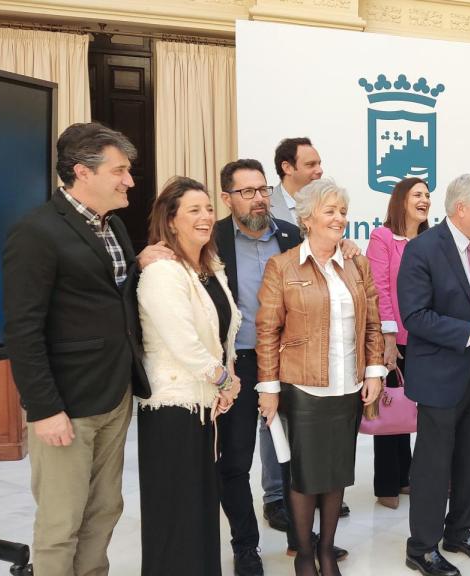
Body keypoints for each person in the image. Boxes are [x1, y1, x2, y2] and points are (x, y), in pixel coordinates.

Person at [2, 122, 155, 576]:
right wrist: (43, 407)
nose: (129, 180)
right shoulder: (37, 232)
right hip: (66, 405)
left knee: (105, 510)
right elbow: (23, 329)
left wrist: (143, 261)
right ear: (81, 172)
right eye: (120, 171)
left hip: (113, 393)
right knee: (60, 522)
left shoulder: (116, 228)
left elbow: (113, 297)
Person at [256, 178, 384, 576]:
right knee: (304, 474)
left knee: (336, 471)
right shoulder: (283, 265)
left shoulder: (355, 261)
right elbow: (267, 331)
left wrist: (375, 371)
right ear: (306, 219)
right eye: (330, 211)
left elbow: (373, 323)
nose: (339, 219)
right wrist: (269, 388)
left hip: (349, 386)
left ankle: (327, 550)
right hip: (304, 386)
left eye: (342, 211)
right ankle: (306, 553)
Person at [399, 174, 470, 576]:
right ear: (460, 207)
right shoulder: (422, 250)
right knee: (434, 465)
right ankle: (422, 547)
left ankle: (460, 532)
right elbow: (415, 316)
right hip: (440, 375)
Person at [136, 176, 242, 575]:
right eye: (194, 210)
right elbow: (183, 343)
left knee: (199, 509)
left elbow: (223, 332)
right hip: (173, 408)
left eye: (209, 208)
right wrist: (224, 380)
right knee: (175, 512)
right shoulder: (163, 271)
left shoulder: (209, 267)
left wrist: (227, 374)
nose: (205, 217)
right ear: (171, 219)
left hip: (207, 405)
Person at [214, 159, 301, 574]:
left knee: (294, 457)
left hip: (287, 362)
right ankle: (245, 546)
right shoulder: (210, 240)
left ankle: (301, 540)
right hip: (236, 365)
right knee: (235, 461)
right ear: (227, 198)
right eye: (247, 191)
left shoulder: (290, 236)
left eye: (263, 189)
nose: (259, 198)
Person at [365, 177, 431, 509]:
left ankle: (407, 478)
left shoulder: (432, 240)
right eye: (418, 194)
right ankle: (388, 485)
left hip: (427, 338)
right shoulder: (383, 238)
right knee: (390, 408)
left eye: (427, 195)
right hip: (394, 339)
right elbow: (377, 288)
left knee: (412, 411)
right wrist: (389, 338)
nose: (425, 200)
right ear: (401, 199)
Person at [271, 137, 324, 225]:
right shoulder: (264, 206)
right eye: (310, 165)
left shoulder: (326, 203)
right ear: (287, 168)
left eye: (319, 164)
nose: (320, 170)